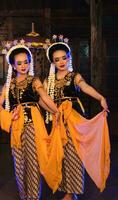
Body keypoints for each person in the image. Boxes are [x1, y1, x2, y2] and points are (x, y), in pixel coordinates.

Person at [44, 35, 109, 200]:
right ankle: (67, 191)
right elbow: (43, 100)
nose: (61, 62)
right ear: (52, 62)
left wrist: (101, 98)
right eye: (57, 59)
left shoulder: (75, 77)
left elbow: (86, 87)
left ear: (69, 58)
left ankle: (72, 192)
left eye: (64, 58)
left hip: (74, 120)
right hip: (58, 121)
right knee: (62, 156)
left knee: (74, 156)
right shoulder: (48, 81)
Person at [0, 39, 59, 200]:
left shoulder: (34, 80)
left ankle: (33, 197)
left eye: (26, 62)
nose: (23, 65)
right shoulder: (9, 84)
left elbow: (42, 98)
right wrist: (10, 115)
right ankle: (23, 196)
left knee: (33, 163)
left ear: (30, 62)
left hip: (33, 125)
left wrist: (56, 111)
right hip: (16, 127)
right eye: (19, 63)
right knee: (19, 163)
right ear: (13, 65)